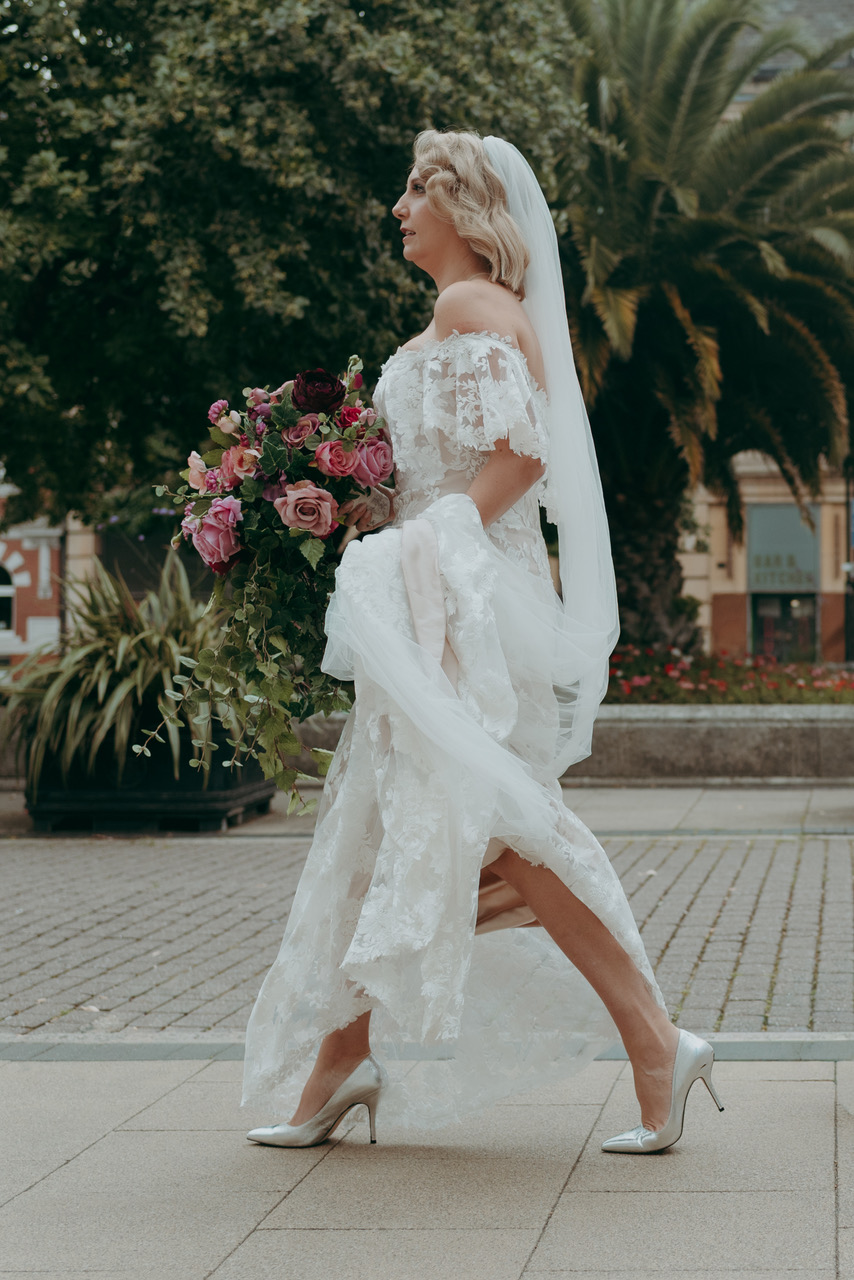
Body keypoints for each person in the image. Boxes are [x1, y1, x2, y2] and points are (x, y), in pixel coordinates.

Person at [242, 130, 724, 1155]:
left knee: (497, 827)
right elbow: (452, 468)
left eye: (417, 188)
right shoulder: (458, 314)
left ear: (465, 207)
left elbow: (516, 456)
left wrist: (425, 538)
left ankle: (654, 1042)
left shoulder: (471, 307)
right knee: (400, 827)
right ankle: (340, 1061)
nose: (398, 207)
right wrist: (353, 511)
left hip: (459, 602)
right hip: (439, 588)